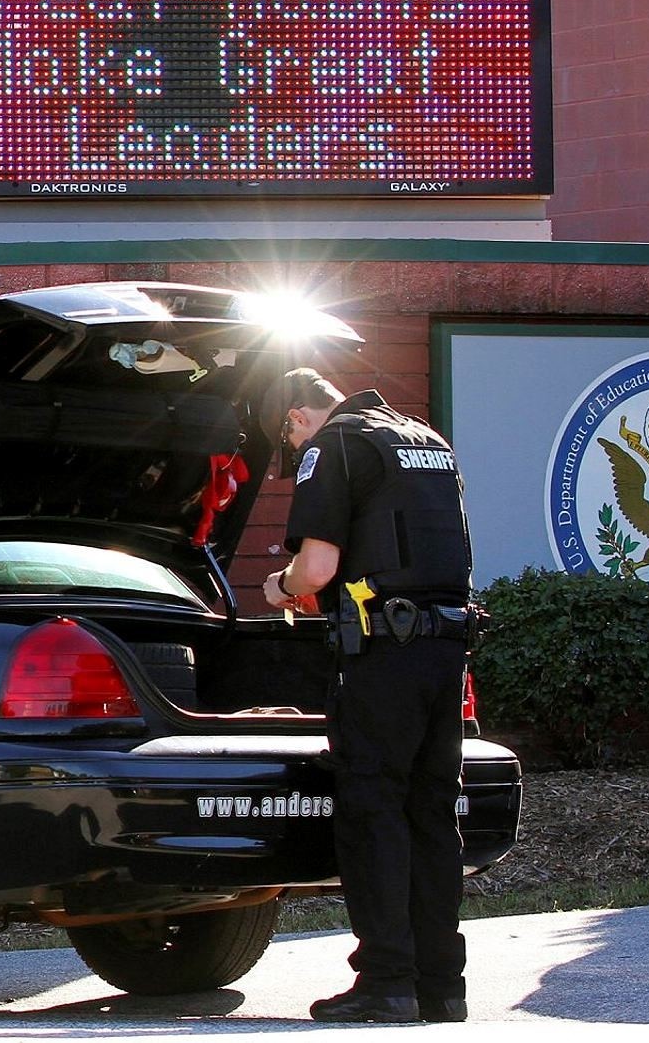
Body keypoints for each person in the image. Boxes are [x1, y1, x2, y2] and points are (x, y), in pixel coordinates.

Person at [260, 367, 475, 1026]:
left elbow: (318, 570)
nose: (297, 452)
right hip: (448, 647)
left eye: (290, 443)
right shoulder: (424, 437)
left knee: (372, 807)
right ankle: (441, 986)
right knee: (432, 813)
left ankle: (386, 983)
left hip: (384, 654)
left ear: (297, 419)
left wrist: (279, 585)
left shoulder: (337, 444)